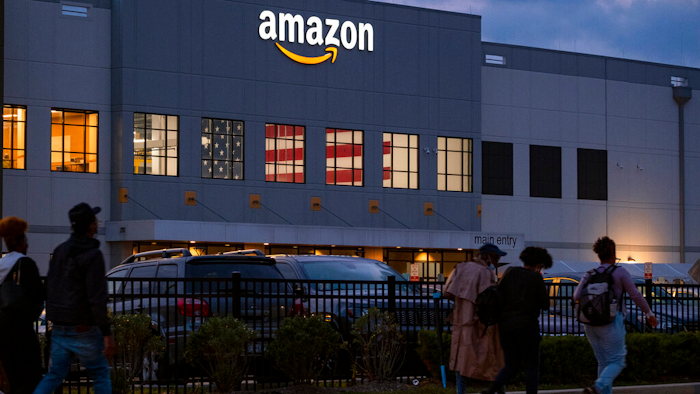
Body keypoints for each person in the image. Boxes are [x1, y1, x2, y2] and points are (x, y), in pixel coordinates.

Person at [34, 203, 115, 394]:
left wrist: (55, 316)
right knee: (100, 374)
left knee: (54, 375)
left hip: (61, 327)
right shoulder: (93, 255)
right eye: (94, 220)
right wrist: (107, 333)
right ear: (90, 226)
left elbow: (50, 288)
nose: (97, 223)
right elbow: (97, 297)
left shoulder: (61, 251)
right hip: (83, 327)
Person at [574, 236, 658, 394]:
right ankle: (598, 387)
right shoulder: (619, 272)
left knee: (603, 362)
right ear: (613, 254)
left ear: (599, 255)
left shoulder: (589, 274)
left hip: (589, 324)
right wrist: (648, 312)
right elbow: (635, 295)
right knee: (618, 361)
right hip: (611, 322)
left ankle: (601, 390)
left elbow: (576, 296)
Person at [483, 247, 553, 394]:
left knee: (511, 364)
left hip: (506, 325)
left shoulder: (510, 272)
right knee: (531, 366)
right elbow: (545, 304)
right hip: (528, 326)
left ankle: (492, 389)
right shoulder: (536, 278)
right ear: (539, 264)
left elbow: (499, 294)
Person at [444, 243, 506, 394]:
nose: (497, 261)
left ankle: (461, 392)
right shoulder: (484, 272)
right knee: (492, 359)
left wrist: (462, 304)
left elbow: (447, 291)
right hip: (480, 324)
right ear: (488, 257)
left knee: (461, 362)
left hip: (460, 322)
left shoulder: (461, 267)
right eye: (496, 257)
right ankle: (499, 391)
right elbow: (488, 300)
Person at [0, 217, 46, 393]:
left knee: (15, 379)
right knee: (32, 377)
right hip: (21, 330)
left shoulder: (1, 264)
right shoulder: (24, 263)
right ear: (21, 241)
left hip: (2, 331)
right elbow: (40, 293)